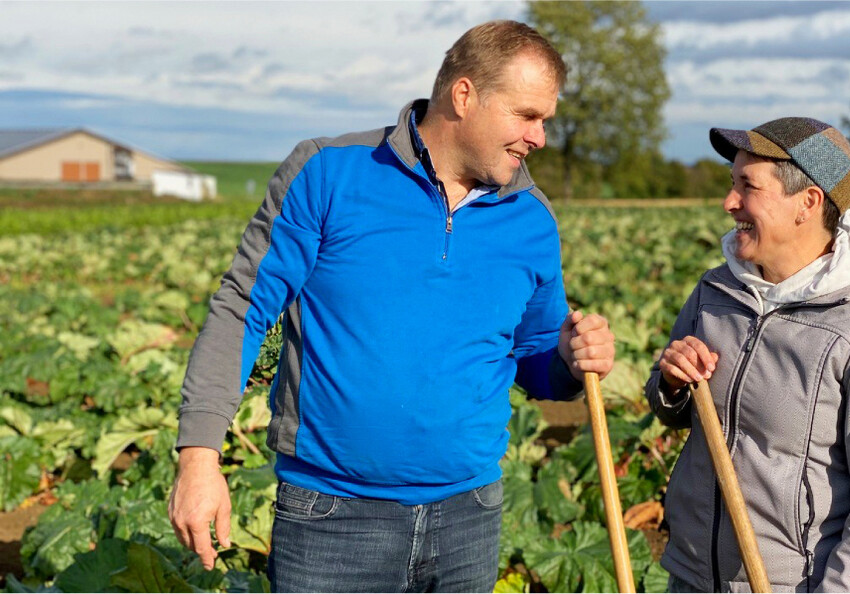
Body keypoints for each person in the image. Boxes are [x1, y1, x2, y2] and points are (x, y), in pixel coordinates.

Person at [168, 20, 615, 593]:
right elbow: (242, 308)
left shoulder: (531, 217)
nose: (540, 137)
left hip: (470, 517)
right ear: (464, 95)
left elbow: (533, 356)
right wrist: (200, 455)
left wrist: (569, 361)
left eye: (545, 121)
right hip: (331, 518)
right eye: (527, 116)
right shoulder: (328, 172)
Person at [645, 117, 850, 592]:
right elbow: (668, 408)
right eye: (731, 184)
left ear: (808, 203)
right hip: (691, 574)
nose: (728, 202)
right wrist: (671, 382)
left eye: (748, 187)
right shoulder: (717, 290)